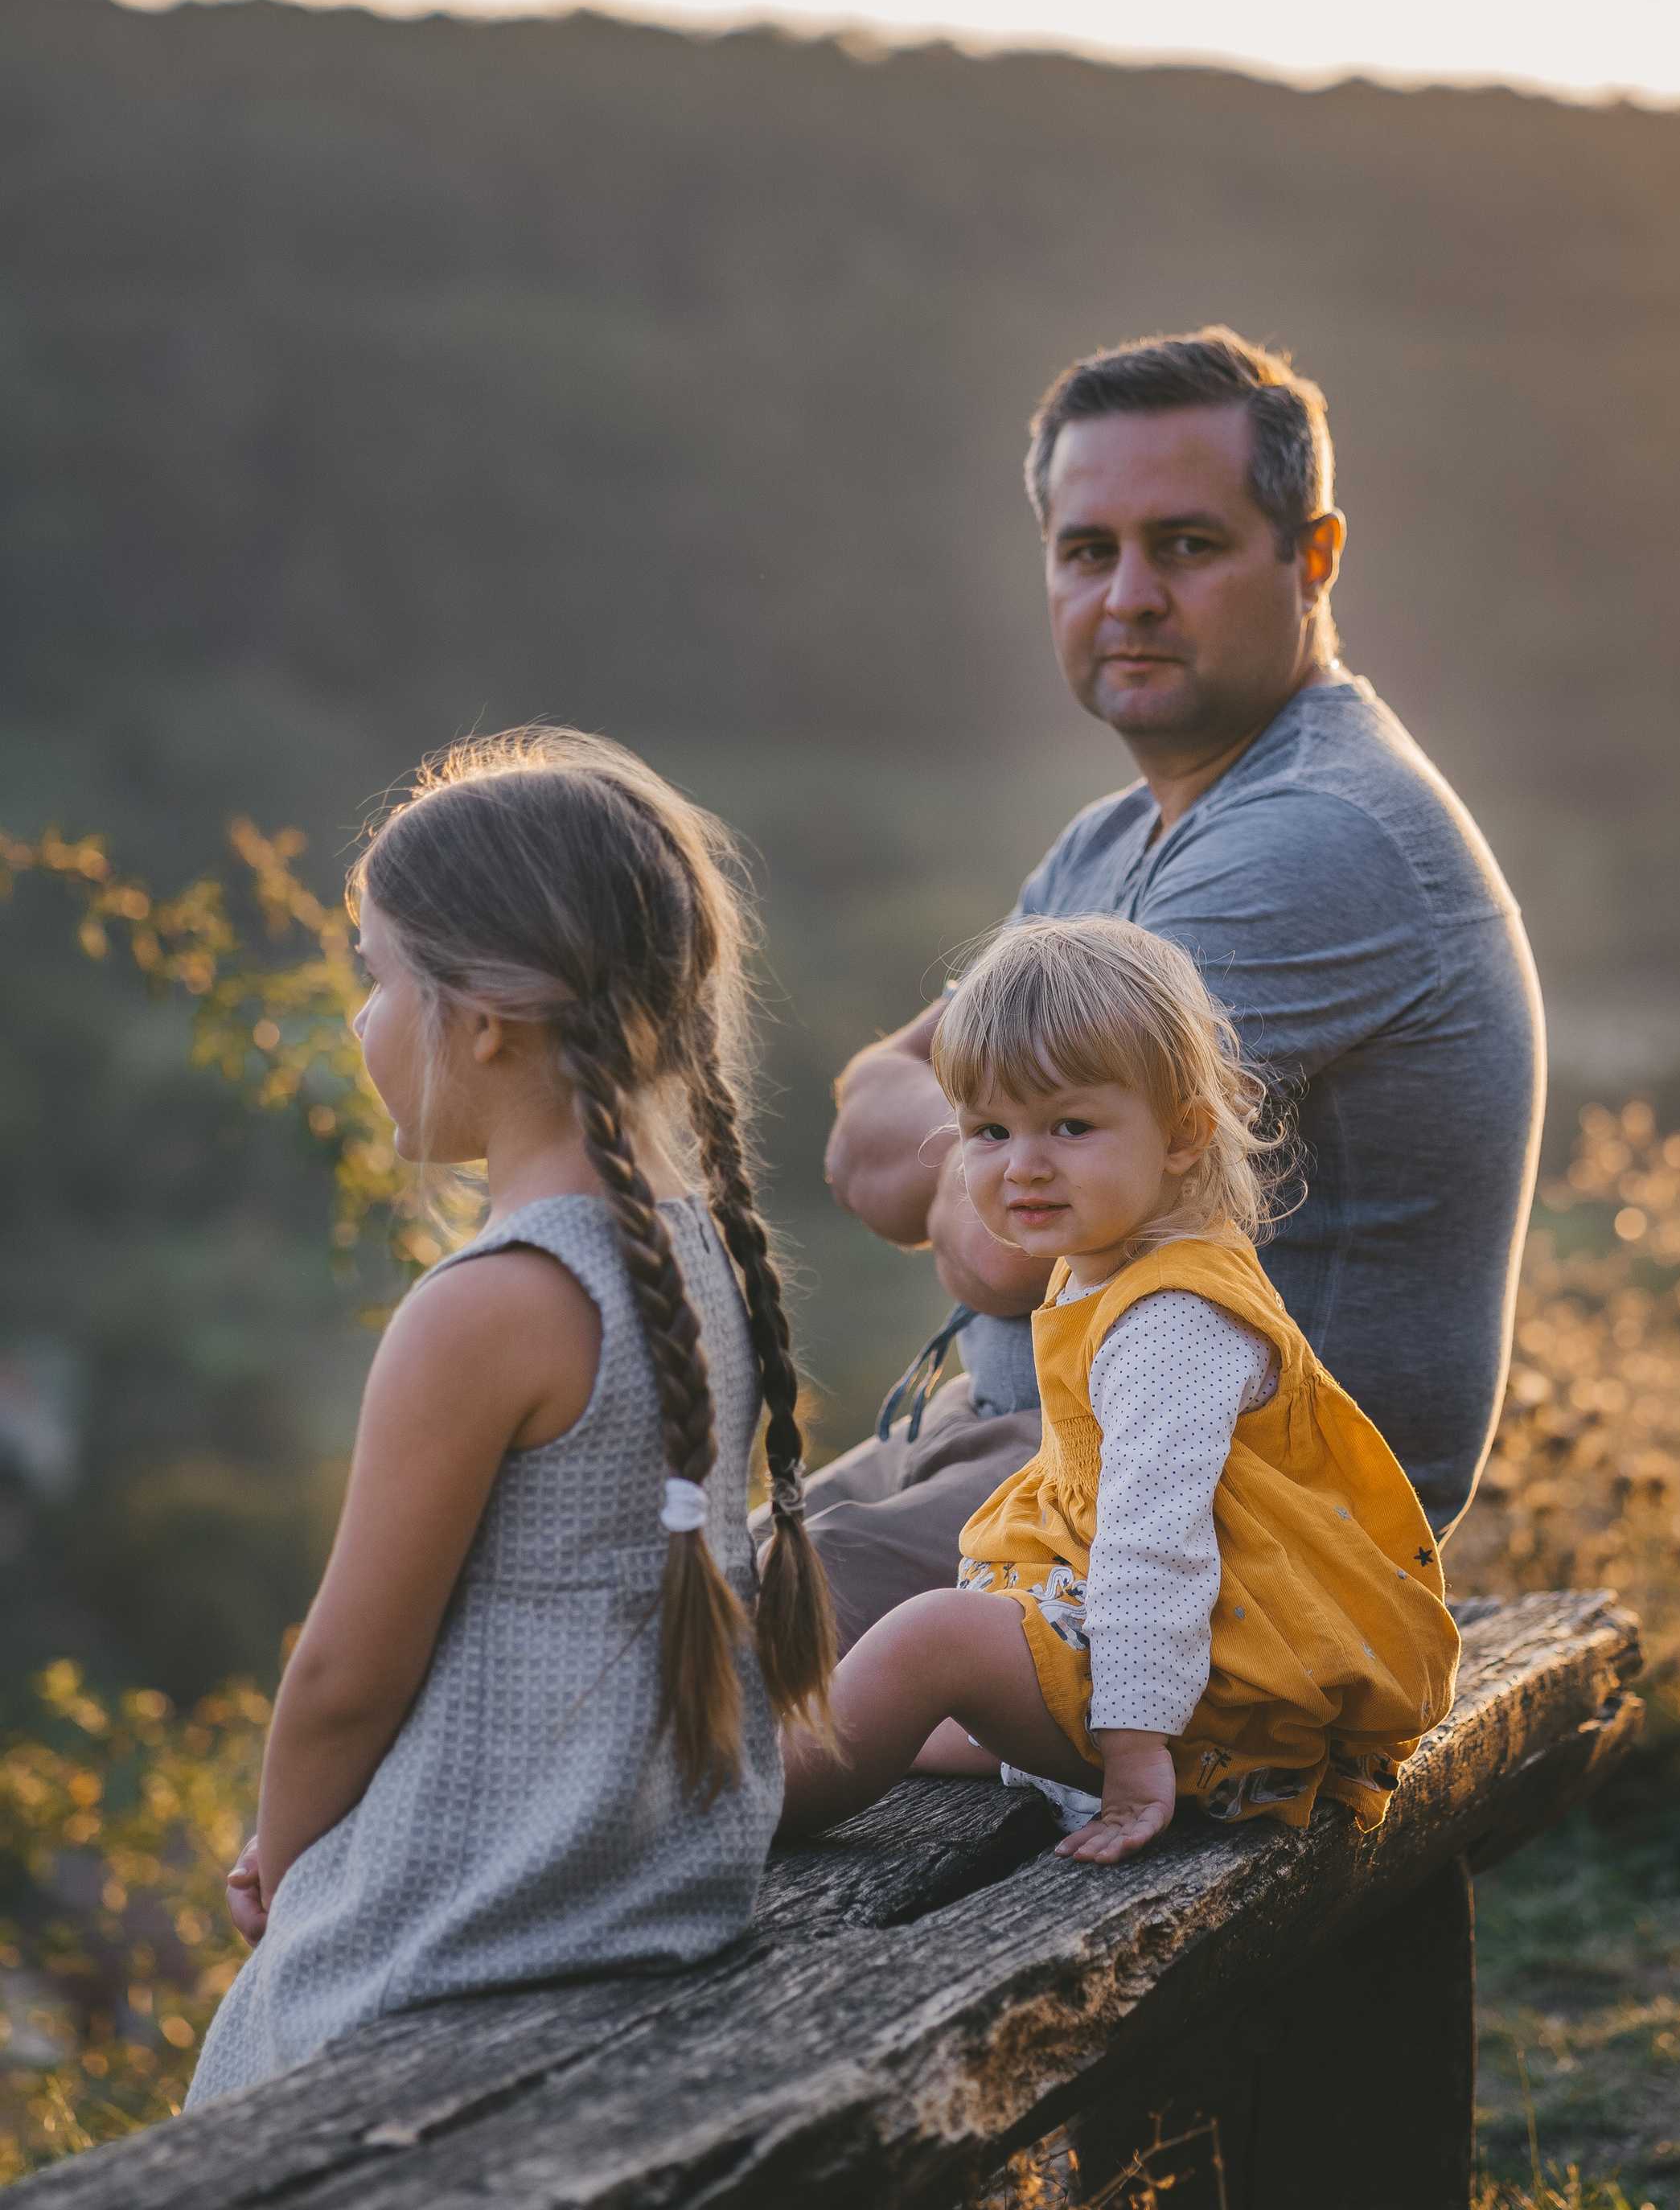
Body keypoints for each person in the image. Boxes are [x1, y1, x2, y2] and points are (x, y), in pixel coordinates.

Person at [806, 327, 1543, 1645]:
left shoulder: (1316, 842)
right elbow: (863, 1121)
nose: (1129, 595)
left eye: (1186, 546)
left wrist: (963, 1155)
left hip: (1221, 1538)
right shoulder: (1108, 843)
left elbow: (990, 1253)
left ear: (1312, 558)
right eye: (1089, 551)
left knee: (652, 1673)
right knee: (582, 1619)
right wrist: (992, 1156)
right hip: (1031, 1462)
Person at [185, 729, 836, 2107]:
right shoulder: (698, 1258)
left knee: (231, 2082)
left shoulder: (486, 1309)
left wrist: (288, 1861)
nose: (360, 1022)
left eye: (373, 978)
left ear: (481, 1019)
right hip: (652, 1894)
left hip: (478, 1932)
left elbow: (346, 1673)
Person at [779, 916, 1460, 1863]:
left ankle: (719, 1823)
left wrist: (1137, 1753)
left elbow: (1157, 1542)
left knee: (929, 1641)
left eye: (1069, 1126)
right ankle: (757, 1765)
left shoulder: (1172, 1318)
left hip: (1209, 1695)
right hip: (1164, 1660)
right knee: (904, 1715)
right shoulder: (1108, 1259)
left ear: (1184, 1134)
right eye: (988, 1130)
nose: (1023, 1163)